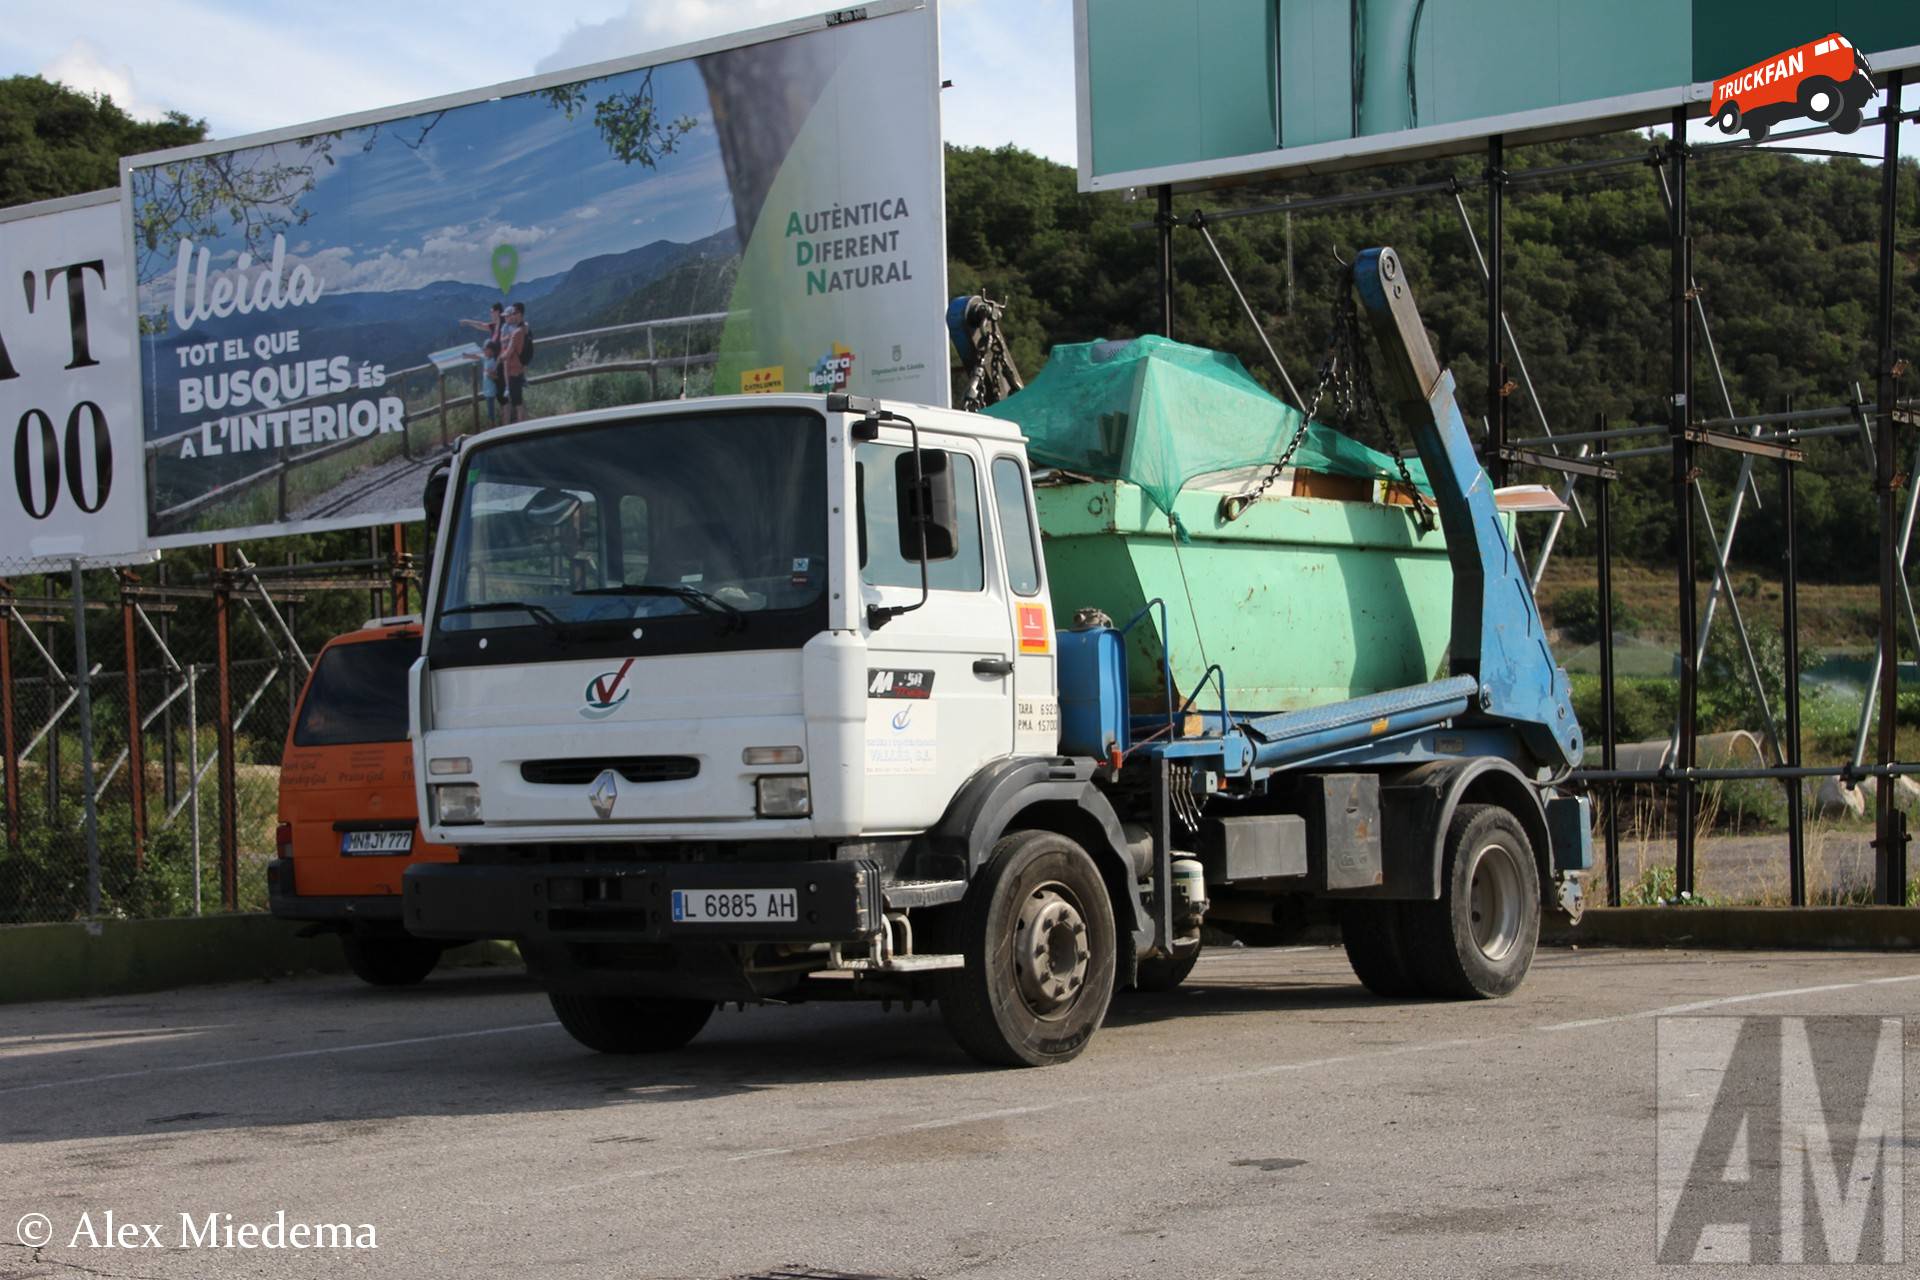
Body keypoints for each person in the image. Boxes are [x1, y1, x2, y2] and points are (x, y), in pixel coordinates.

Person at [498, 302, 530, 424]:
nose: (507, 318)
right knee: (517, 399)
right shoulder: (519, 329)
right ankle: (523, 422)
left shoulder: (516, 331)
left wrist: (502, 357)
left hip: (514, 367)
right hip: (516, 366)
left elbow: (509, 351)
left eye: (513, 314)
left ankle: (521, 426)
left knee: (517, 401)